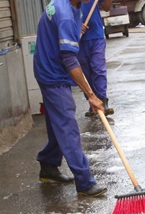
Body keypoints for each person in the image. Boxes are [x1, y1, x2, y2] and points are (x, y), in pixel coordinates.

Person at [34, 0, 108, 197]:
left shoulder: (66, 6)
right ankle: (84, 182)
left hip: (47, 67)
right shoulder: (65, 14)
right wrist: (91, 95)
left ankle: (48, 165)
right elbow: (69, 59)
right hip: (53, 74)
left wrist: (76, 31)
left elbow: (62, 35)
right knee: (67, 126)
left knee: (56, 121)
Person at [78, 0, 114, 117]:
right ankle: (92, 101)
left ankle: (103, 100)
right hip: (79, 38)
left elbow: (107, 7)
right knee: (85, 73)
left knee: (98, 68)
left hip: (96, 35)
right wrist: (76, 25)